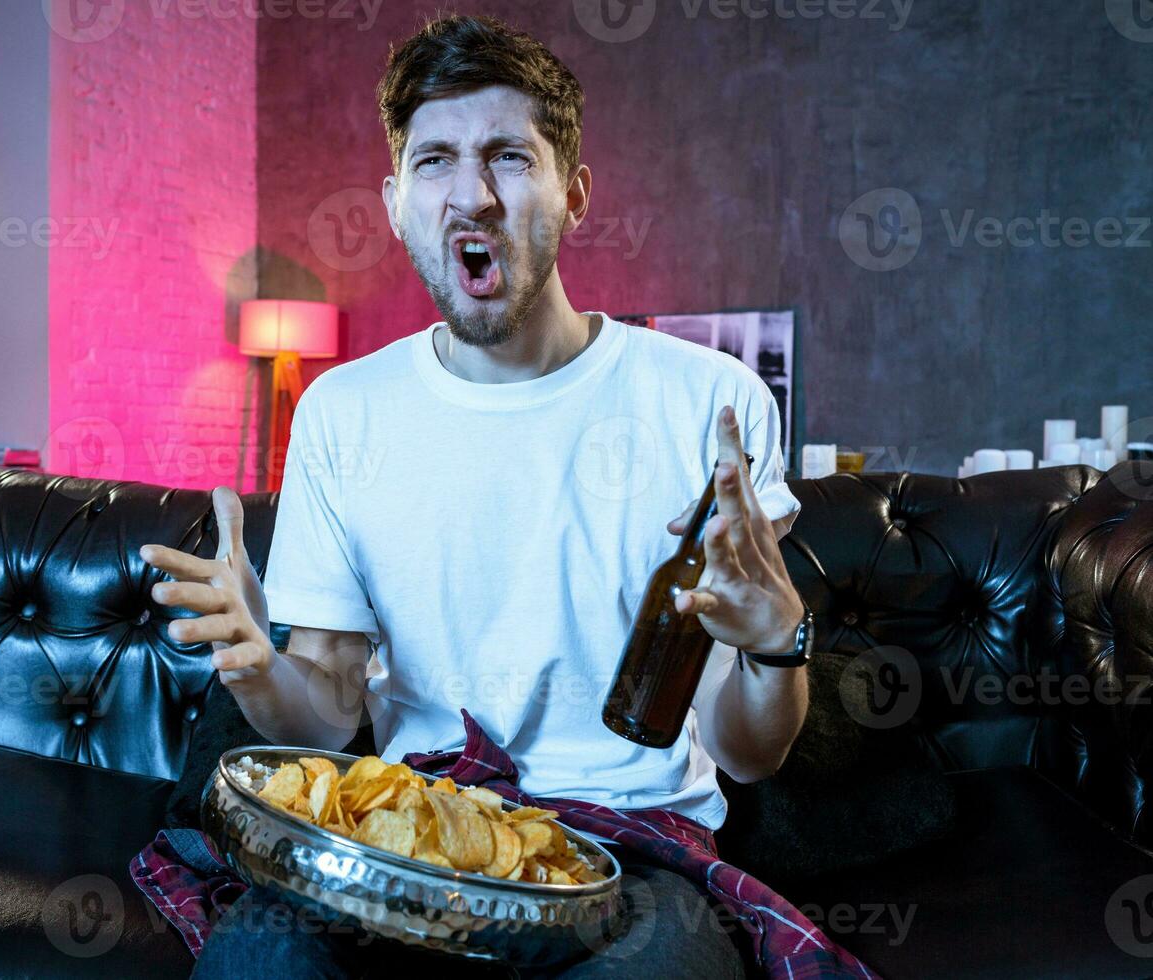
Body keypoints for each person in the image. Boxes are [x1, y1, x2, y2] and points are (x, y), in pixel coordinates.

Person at [139, 14, 818, 978]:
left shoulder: (711, 404)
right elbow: (328, 713)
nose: (473, 196)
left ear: (574, 192)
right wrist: (260, 671)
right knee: (261, 963)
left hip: (632, 847)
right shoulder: (341, 411)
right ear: (394, 201)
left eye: (508, 156)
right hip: (411, 829)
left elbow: (749, 754)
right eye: (435, 161)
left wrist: (774, 646)